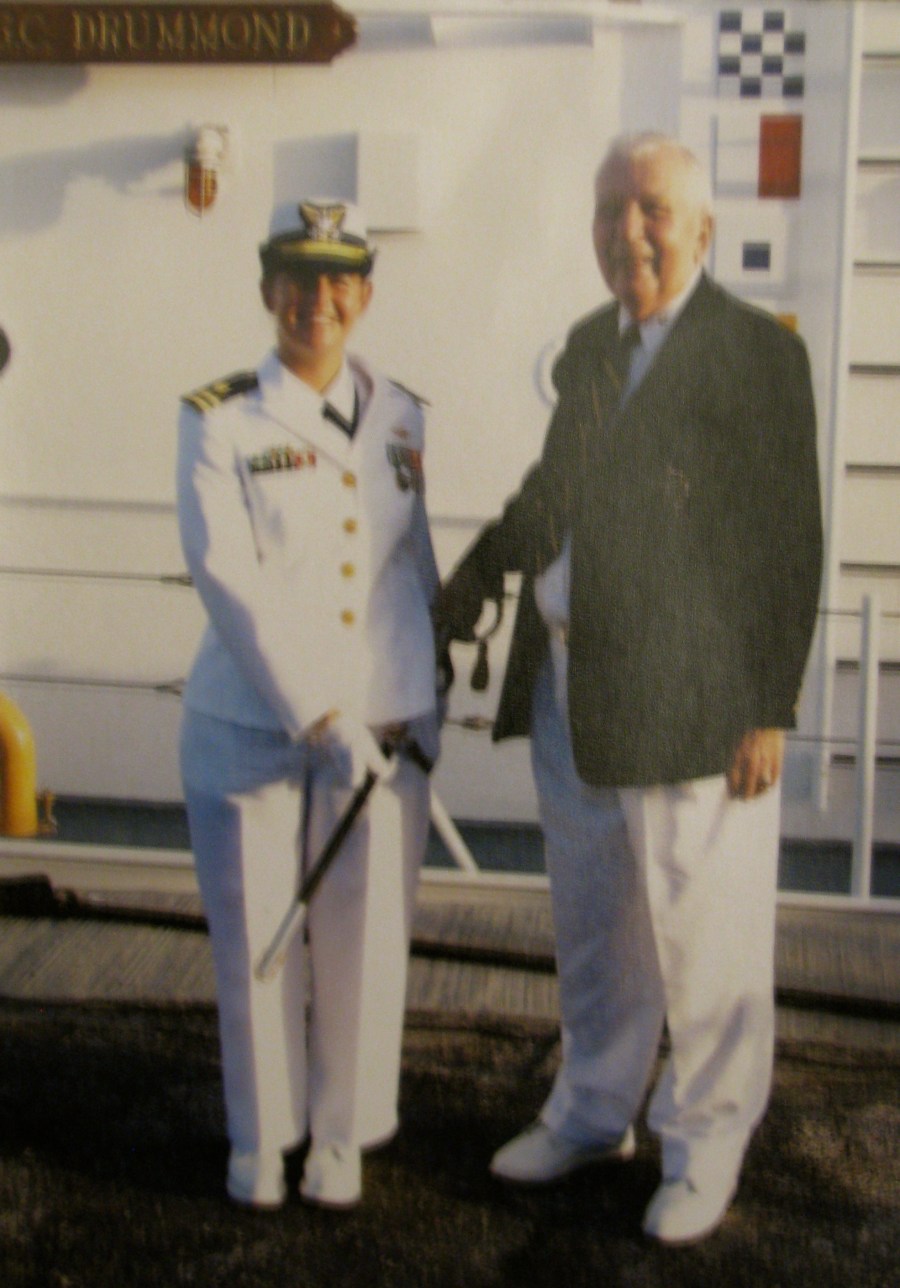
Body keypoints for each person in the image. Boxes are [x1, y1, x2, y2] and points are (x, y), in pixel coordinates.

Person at [437, 133, 823, 1244]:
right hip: (575, 685)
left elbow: (787, 540)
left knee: (704, 934)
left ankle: (705, 1142)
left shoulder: (755, 353)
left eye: (651, 209)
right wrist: (483, 565)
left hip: (699, 699)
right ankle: (595, 1108)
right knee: (598, 924)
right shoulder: (586, 347)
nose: (628, 232)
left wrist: (769, 704)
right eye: (610, 211)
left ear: (701, 227)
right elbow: (556, 491)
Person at [177, 199, 442, 1210]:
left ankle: (342, 1134)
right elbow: (225, 573)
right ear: (265, 291)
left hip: (382, 723)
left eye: (337, 280)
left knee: (366, 937)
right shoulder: (219, 414)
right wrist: (315, 715)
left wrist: (425, 694)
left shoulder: (405, 411)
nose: (314, 301)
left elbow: (406, 559)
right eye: (294, 277)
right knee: (258, 934)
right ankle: (261, 1136)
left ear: (364, 295)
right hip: (251, 725)